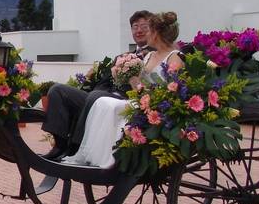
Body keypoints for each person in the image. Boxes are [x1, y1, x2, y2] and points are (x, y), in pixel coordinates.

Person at [64, 11, 184, 168]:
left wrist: (144, 91)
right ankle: (94, 155)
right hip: (140, 99)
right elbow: (139, 85)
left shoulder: (174, 56)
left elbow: (173, 88)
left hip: (158, 104)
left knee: (109, 104)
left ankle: (110, 159)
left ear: (156, 33)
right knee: (102, 102)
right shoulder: (149, 56)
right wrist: (129, 77)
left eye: (148, 30)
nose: (145, 34)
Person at [41, 10, 153, 159]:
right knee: (57, 90)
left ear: (153, 29)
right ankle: (60, 145)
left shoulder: (155, 57)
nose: (139, 30)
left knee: (96, 96)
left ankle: (75, 148)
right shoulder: (122, 57)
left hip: (125, 103)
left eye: (144, 26)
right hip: (99, 98)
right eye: (135, 26)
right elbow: (103, 82)